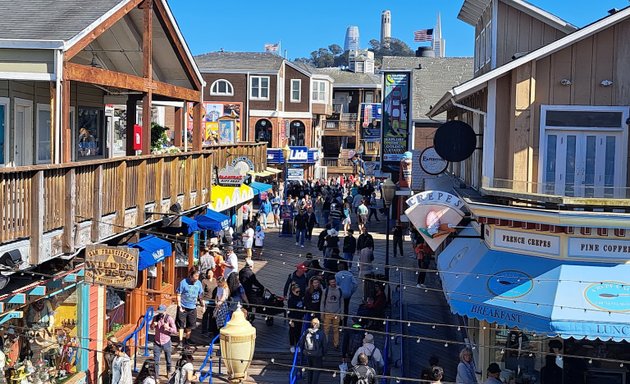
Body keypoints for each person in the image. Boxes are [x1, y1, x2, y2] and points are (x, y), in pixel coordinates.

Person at [176, 268, 203, 347]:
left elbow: (200, 294)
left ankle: (187, 339)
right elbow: (178, 294)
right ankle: (180, 341)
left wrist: (202, 303)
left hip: (193, 307)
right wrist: (179, 305)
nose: (195, 280)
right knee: (180, 324)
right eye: (194, 278)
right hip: (183, 306)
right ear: (190, 276)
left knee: (190, 325)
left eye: (197, 277)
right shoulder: (183, 282)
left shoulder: (198, 283)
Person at [150, 304, 176, 377]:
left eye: (161, 312)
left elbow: (175, 330)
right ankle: (156, 376)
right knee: (156, 361)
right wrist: (153, 325)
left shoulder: (169, 318)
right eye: (159, 312)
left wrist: (168, 328)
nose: (160, 313)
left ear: (165, 311)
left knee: (168, 359)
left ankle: (168, 373)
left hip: (166, 342)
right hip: (157, 342)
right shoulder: (155, 318)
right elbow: (151, 328)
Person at [300, 317, 326, 384]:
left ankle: (309, 382)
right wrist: (324, 354)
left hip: (308, 353)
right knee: (316, 371)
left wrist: (302, 351)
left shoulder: (306, 331)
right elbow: (324, 345)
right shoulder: (321, 333)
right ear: (318, 324)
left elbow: (301, 342)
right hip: (317, 355)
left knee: (309, 369)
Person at [320, 276, 343, 349]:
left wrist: (342, 313)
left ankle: (336, 344)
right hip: (327, 313)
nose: (333, 283)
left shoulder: (339, 290)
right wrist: (322, 313)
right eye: (332, 282)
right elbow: (322, 302)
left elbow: (342, 302)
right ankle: (325, 343)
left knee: (336, 330)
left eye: (334, 282)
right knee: (326, 330)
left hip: (337, 313)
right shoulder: (325, 291)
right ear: (329, 283)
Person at [335, 262, 357, 326]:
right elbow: (355, 284)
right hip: (347, 294)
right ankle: (345, 322)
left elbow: (335, 285)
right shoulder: (350, 274)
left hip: (340, 294)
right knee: (346, 308)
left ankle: (340, 322)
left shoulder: (337, 275)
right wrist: (351, 291)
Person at [287, 283, 305, 353]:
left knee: (298, 332)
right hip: (293, 318)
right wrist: (291, 320)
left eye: (299, 291)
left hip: (300, 318)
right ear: (293, 291)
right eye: (297, 292)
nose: (298, 293)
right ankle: (292, 345)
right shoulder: (291, 300)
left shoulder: (300, 297)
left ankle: (297, 345)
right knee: (292, 332)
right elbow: (289, 310)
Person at [201, 269, 215, 335]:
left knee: (212, 316)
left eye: (211, 273)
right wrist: (202, 302)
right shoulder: (204, 281)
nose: (210, 274)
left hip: (214, 301)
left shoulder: (215, 280)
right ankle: (204, 331)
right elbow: (201, 292)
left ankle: (211, 330)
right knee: (205, 316)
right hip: (206, 301)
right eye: (208, 273)